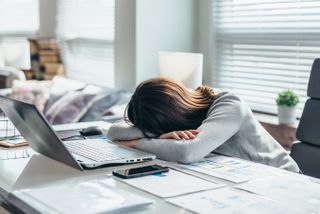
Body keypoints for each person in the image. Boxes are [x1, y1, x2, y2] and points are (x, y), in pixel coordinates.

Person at [107, 77, 300, 173]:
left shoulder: (230, 105)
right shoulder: (177, 113)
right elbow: (114, 131)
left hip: (280, 177)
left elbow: (188, 152)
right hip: (234, 173)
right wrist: (157, 136)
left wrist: (135, 144)